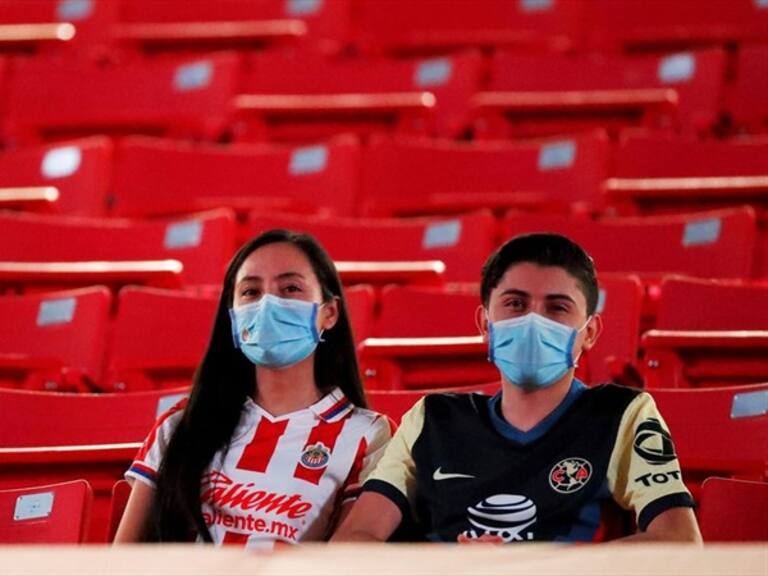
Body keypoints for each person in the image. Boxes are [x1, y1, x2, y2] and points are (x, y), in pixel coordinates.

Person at [333, 233, 701, 544]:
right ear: (485, 323)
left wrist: (527, 564)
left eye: (557, 308)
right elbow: (356, 539)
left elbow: (680, 541)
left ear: (589, 333)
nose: (533, 321)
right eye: (515, 304)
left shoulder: (623, 413)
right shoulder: (432, 419)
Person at [115, 229, 393, 548]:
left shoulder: (368, 434)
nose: (268, 305)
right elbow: (124, 558)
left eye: (290, 288)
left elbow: (349, 559)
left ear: (329, 312)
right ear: (233, 317)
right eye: (250, 292)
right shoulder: (180, 425)